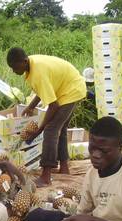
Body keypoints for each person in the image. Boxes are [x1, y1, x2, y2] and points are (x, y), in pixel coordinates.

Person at [6, 47, 87, 186]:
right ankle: (64, 168)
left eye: (14, 67)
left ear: (24, 61)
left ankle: (46, 176)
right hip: (69, 86)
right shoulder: (31, 65)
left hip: (71, 90)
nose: (14, 71)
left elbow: (53, 105)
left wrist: (39, 130)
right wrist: (31, 106)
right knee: (59, 128)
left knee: (51, 129)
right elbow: (43, 89)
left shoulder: (38, 72)